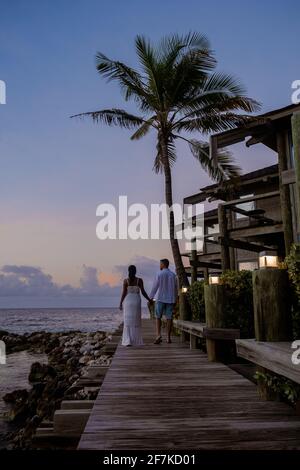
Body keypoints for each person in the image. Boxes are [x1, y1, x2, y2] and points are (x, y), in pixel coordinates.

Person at [119, 265, 151, 347]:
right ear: (135, 271)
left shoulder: (126, 281)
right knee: (136, 321)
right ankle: (135, 340)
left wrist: (120, 303)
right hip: (136, 301)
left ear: (128, 271)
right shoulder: (139, 280)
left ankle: (128, 340)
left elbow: (123, 293)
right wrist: (149, 299)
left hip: (128, 302)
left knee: (128, 321)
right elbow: (143, 292)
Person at [150, 259, 178, 344]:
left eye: (160, 264)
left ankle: (158, 335)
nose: (159, 266)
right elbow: (175, 288)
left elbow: (155, 286)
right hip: (170, 299)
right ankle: (168, 338)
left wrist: (150, 297)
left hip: (160, 298)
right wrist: (175, 299)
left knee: (158, 317)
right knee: (169, 318)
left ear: (163, 264)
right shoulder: (173, 275)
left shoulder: (159, 274)